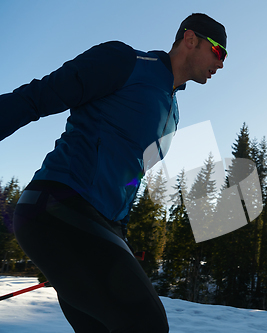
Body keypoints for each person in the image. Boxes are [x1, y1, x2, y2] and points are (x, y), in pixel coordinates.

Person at [0, 13, 227, 333]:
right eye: (219, 51)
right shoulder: (127, 62)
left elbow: (132, 177)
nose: (222, 63)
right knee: (146, 324)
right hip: (58, 204)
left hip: (94, 225)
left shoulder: (172, 113)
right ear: (190, 40)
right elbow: (38, 96)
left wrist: (116, 239)